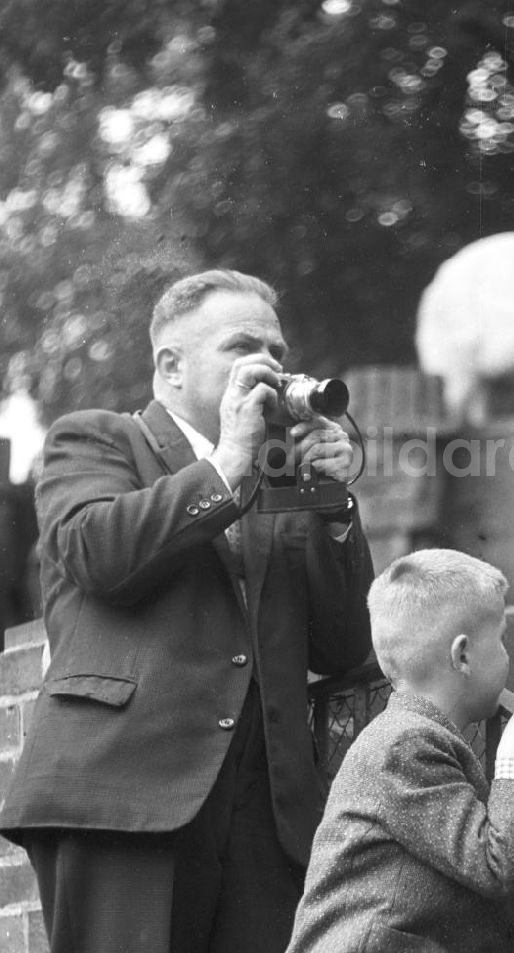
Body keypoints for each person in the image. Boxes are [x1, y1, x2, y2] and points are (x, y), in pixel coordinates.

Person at [0, 269, 375, 953]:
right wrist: (227, 465)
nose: (268, 365)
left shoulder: (281, 477)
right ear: (170, 367)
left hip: (267, 819)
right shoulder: (96, 439)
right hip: (123, 799)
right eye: (241, 346)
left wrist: (335, 507)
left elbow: (346, 646)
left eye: (278, 351)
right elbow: (99, 555)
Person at [286, 548, 514, 953]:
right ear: (463, 655)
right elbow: (498, 866)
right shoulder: (405, 745)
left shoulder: (406, 734)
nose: (506, 652)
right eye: (501, 637)